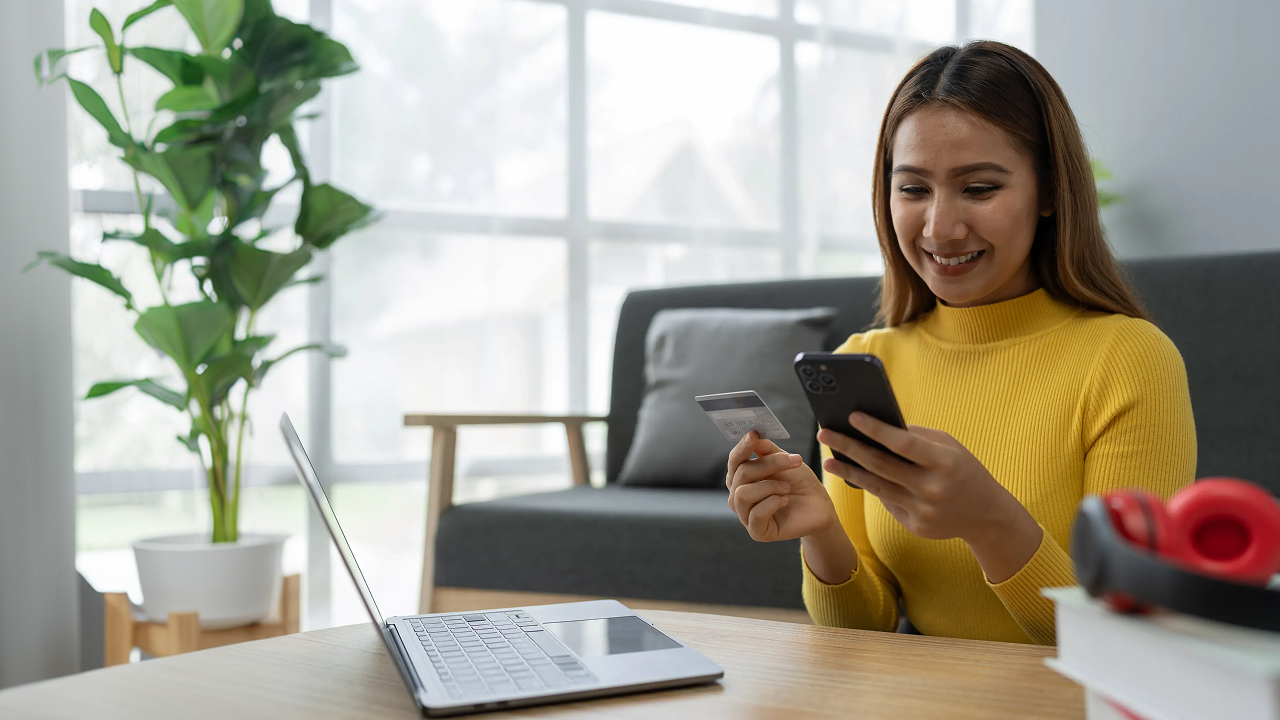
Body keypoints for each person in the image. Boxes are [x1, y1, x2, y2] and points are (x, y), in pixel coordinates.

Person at [725, 41, 1196, 645]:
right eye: (913, 189)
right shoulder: (863, 363)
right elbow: (864, 626)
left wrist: (992, 523)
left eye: (978, 189)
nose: (940, 227)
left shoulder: (1130, 360)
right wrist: (820, 533)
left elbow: (1129, 639)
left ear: (1049, 192)